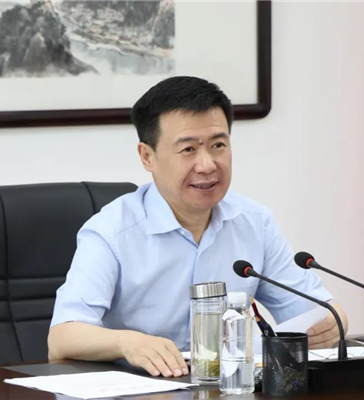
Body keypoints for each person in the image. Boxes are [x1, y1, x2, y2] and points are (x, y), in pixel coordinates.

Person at [48, 76, 348, 378]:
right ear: (147, 157)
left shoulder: (255, 223)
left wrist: (334, 323)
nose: (207, 165)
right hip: (141, 390)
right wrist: (129, 343)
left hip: (228, 389)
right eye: (188, 149)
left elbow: (317, 310)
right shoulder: (112, 232)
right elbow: (62, 338)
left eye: (218, 145)